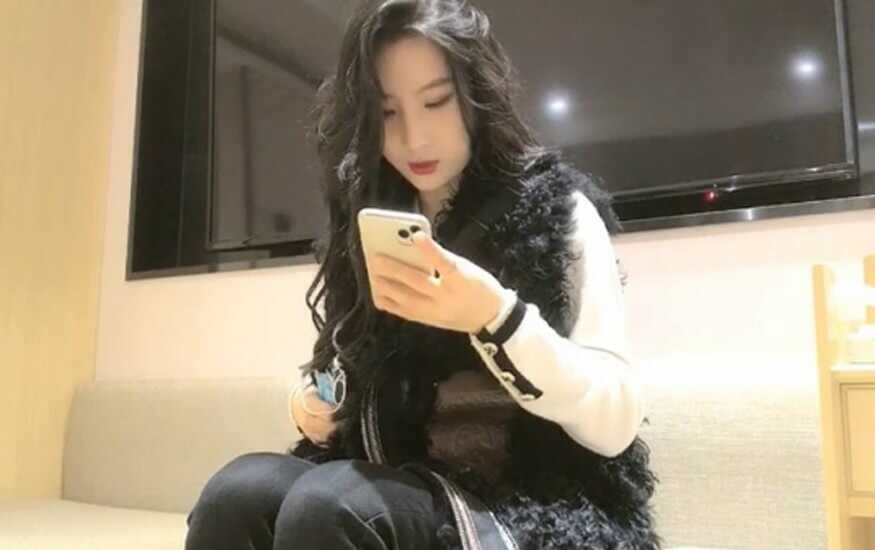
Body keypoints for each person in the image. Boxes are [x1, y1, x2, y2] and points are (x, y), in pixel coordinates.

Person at [185, 1, 660, 549]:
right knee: (235, 493)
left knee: (334, 504)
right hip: (392, 484)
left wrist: (495, 317)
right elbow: (344, 367)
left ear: (477, 94)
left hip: (522, 502)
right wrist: (310, 402)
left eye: (436, 101)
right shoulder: (371, 217)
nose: (414, 139)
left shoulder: (556, 212)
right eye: (387, 112)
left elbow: (616, 421)